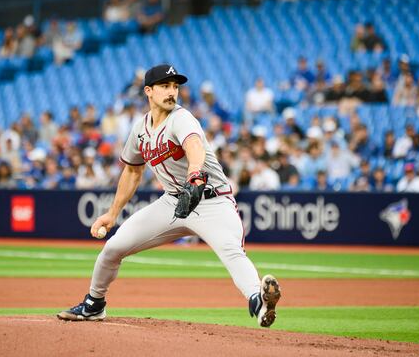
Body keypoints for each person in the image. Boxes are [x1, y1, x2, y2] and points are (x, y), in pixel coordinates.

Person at [57, 64, 281, 328]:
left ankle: (259, 300)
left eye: (175, 86)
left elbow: (193, 145)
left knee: (231, 251)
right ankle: (94, 305)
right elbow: (132, 171)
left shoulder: (181, 118)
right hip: (172, 203)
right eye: (165, 86)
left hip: (211, 201)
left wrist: (195, 172)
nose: (172, 91)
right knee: (113, 248)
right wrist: (112, 213)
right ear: (148, 91)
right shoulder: (140, 128)